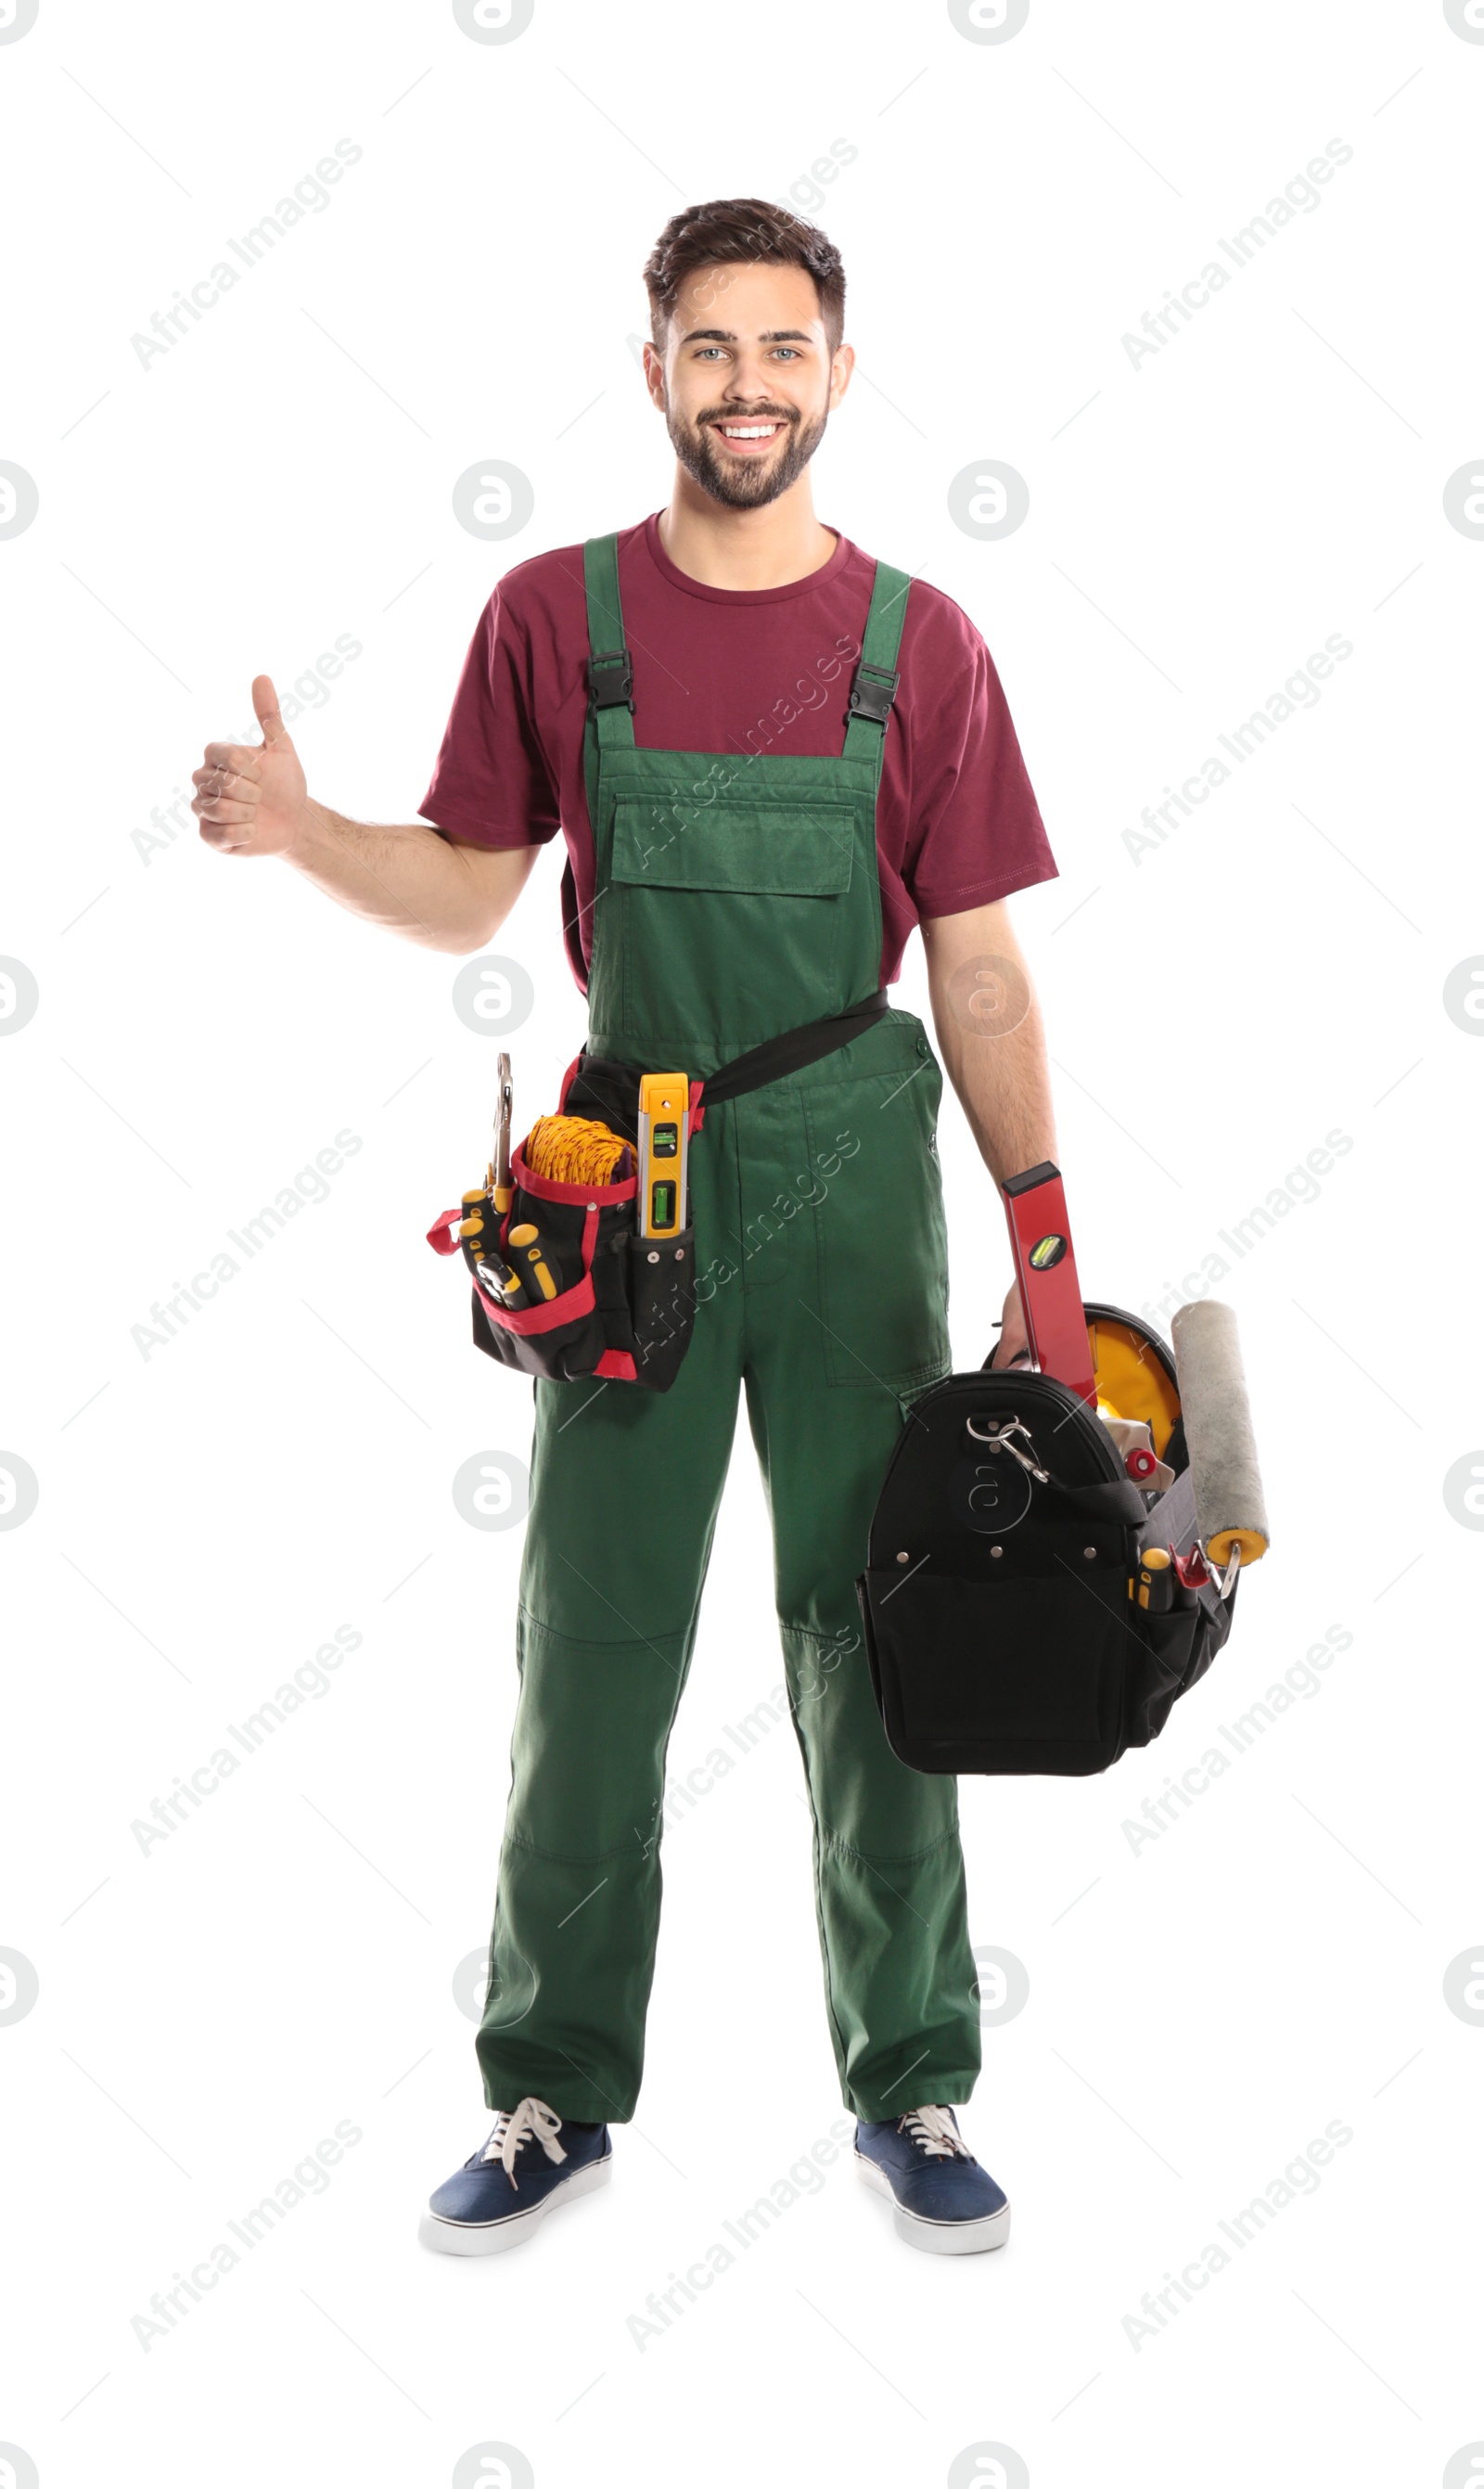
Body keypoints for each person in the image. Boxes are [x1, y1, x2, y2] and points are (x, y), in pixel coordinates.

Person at [192, 198, 1060, 2261]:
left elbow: (987, 973)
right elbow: (476, 888)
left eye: (783, 350)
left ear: (835, 378)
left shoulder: (918, 642)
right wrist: (311, 835)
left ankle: (910, 2076)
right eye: (708, 347)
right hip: (624, 1179)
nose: (746, 386)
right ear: (651, 365)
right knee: (591, 1652)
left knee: (877, 1631)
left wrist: (1039, 1245)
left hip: (857, 1164)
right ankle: (547, 2087)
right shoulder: (549, 616)